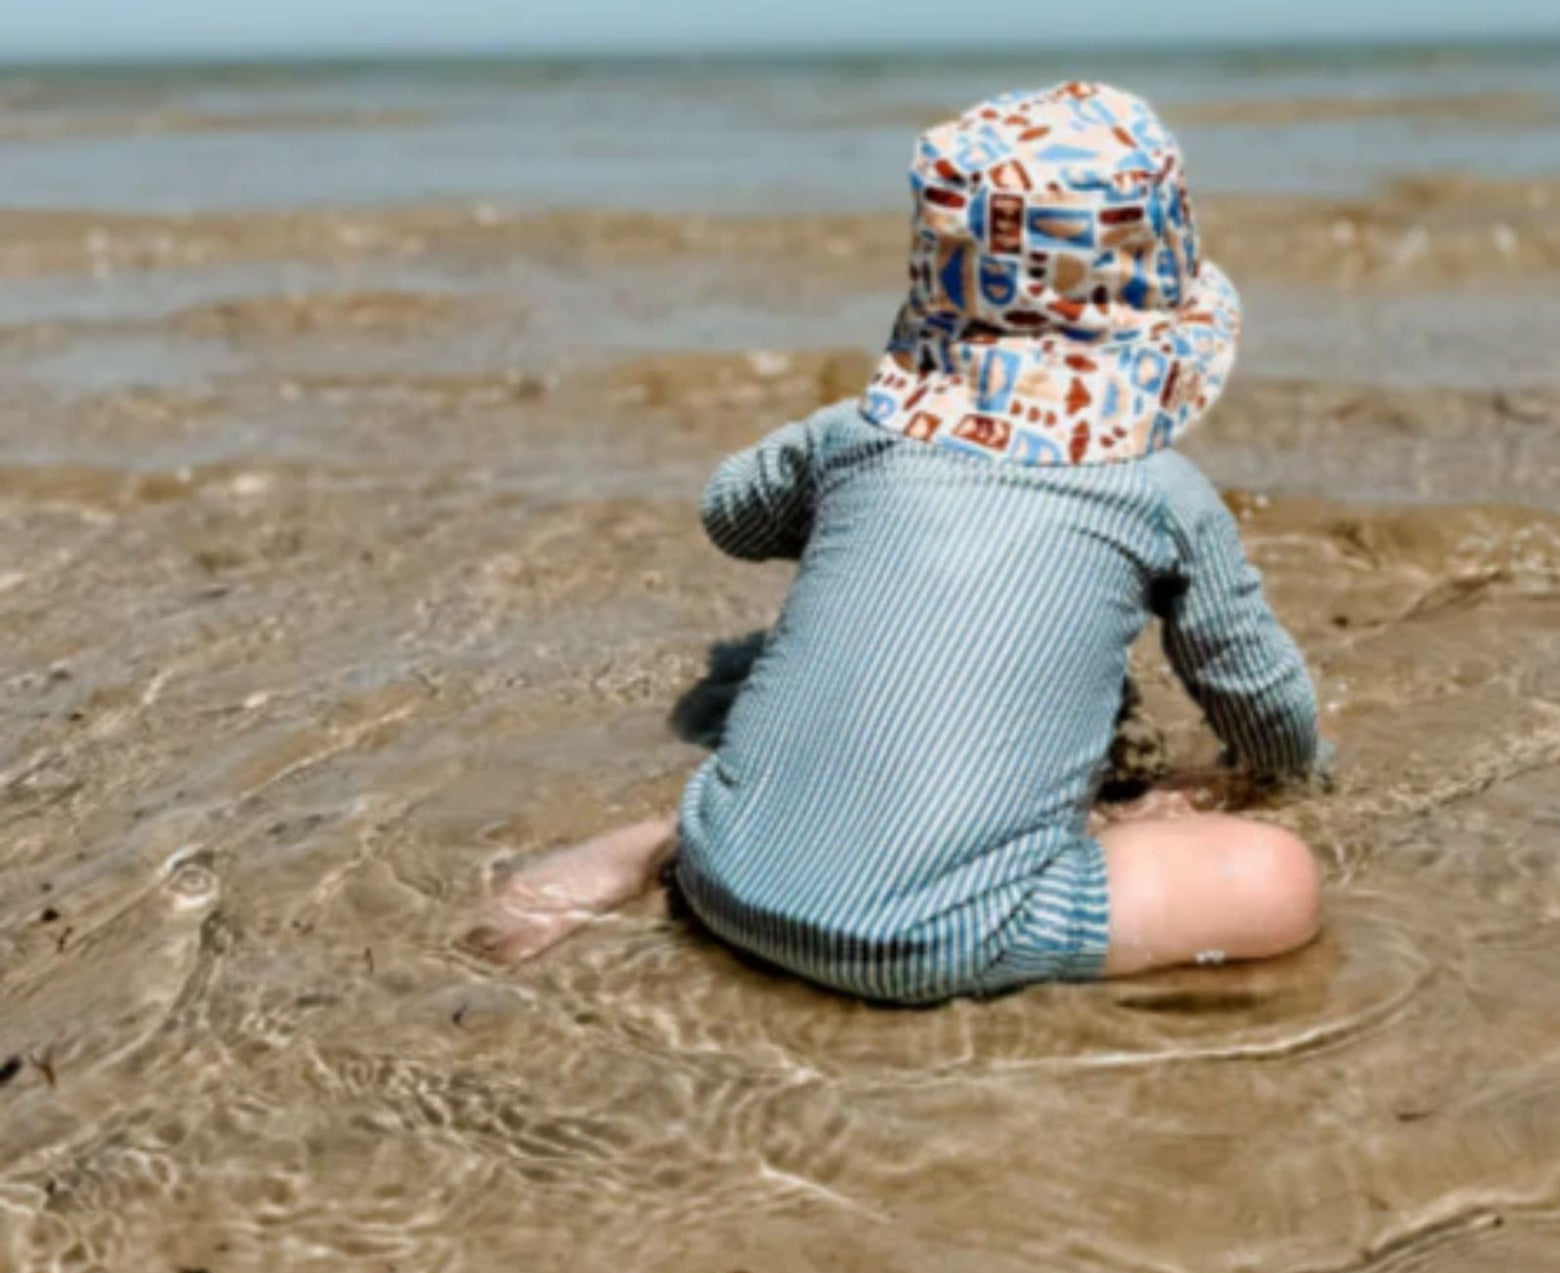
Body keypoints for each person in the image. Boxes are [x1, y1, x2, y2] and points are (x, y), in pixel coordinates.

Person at [467, 82, 1333, 998]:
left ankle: (666, 843)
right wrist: (1287, 776)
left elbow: (730, 512)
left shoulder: (856, 438)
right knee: (1275, 880)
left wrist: (856, 512)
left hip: (726, 878)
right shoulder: (1163, 496)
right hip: (930, 941)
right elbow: (1255, 688)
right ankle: (1084, 837)